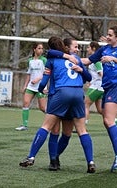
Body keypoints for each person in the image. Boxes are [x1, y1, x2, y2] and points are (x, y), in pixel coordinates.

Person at [19, 36, 96, 173]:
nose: (77, 49)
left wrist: (42, 88)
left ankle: (33, 157)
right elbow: (89, 78)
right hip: (78, 94)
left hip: (59, 95)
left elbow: (44, 79)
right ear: (65, 47)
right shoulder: (75, 59)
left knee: (49, 128)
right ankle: (90, 161)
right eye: (76, 47)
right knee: (76, 131)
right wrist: (82, 70)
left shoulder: (52, 59)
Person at [81, 25, 117, 172]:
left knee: (108, 120)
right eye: (107, 35)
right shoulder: (104, 49)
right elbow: (88, 61)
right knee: (106, 120)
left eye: (110, 35)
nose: (107, 37)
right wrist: (70, 57)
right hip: (107, 88)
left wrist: (113, 59)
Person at [84, 41, 117, 133]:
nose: (87, 49)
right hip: (98, 87)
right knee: (100, 109)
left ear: (93, 48)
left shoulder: (96, 61)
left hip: (97, 87)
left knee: (85, 104)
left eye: (88, 47)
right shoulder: (96, 59)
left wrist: (99, 81)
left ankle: (83, 126)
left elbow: (101, 73)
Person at [15, 43, 47, 131]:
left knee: (43, 108)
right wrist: (25, 86)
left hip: (41, 86)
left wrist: (37, 79)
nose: (41, 50)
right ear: (34, 49)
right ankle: (24, 125)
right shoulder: (30, 60)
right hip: (31, 87)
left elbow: (46, 73)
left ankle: (53, 121)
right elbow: (29, 74)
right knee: (25, 103)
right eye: (39, 48)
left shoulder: (44, 60)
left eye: (42, 48)